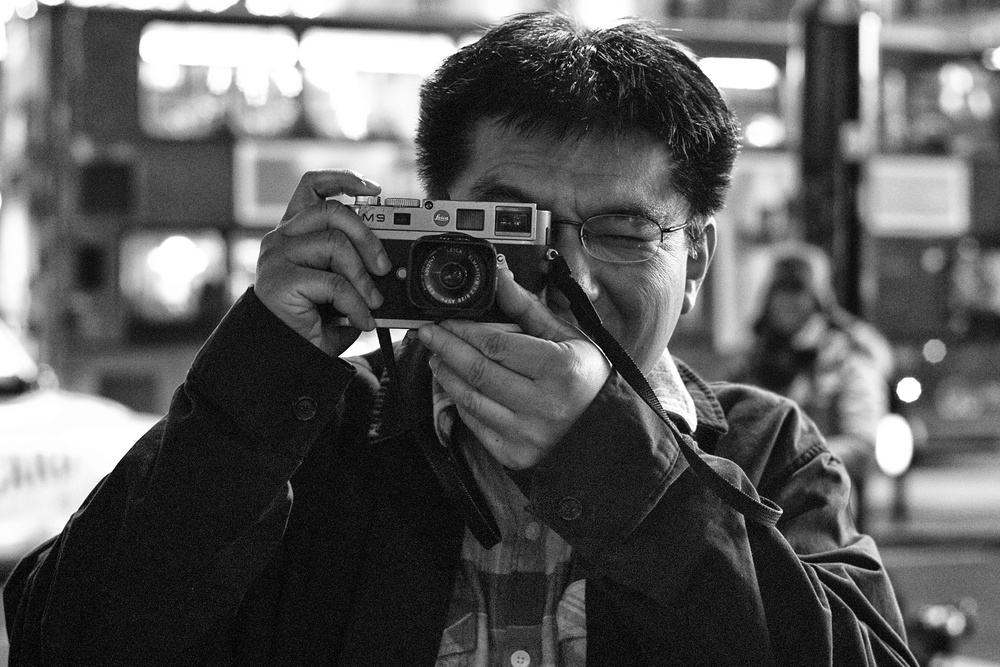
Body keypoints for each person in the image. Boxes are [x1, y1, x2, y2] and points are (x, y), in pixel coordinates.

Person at [4, 11, 917, 666]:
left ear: (700, 259)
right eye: (511, 230)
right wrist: (259, 378)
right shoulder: (313, 437)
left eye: (624, 231)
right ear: (435, 226)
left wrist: (615, 463)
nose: (567, 279)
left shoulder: (766, 453)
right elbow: (64, 639)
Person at [730, 241, 895, 531]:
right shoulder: (751, 361)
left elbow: (862, 442)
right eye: (781, 291)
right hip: (755, 518)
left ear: (818, 298)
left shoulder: (846, 359)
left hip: (824, 517)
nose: (789, 302)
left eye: (799, 291)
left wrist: (790, 461)